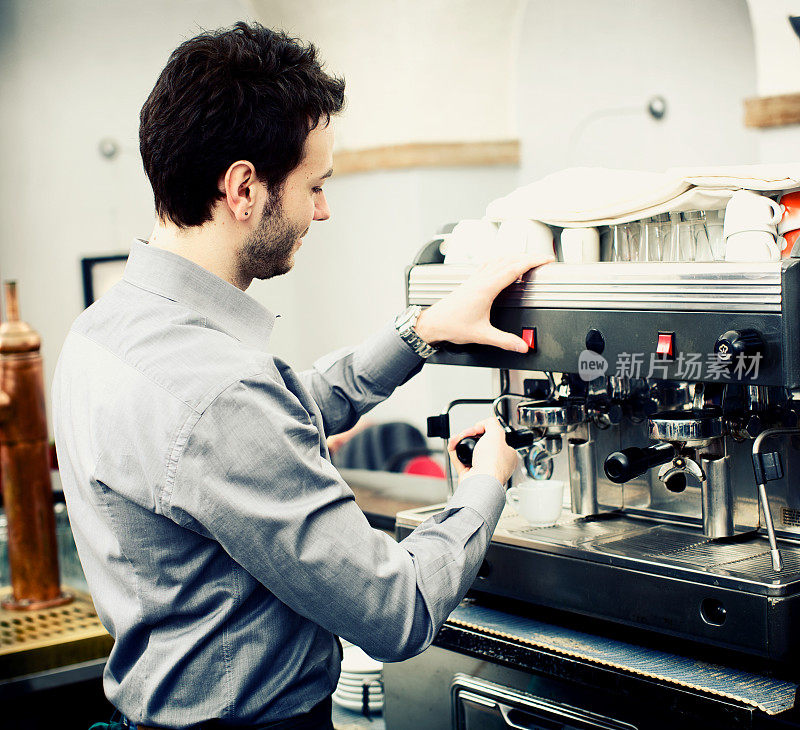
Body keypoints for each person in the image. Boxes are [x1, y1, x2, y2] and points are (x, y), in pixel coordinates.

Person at [52, 22, 553, 730]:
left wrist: (422, 332)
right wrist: (485, 483)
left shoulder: (102, 332)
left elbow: (277, 418)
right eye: (313, 185)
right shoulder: (220, 392)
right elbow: (395, 613)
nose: (323, 208)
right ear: (244, 188)